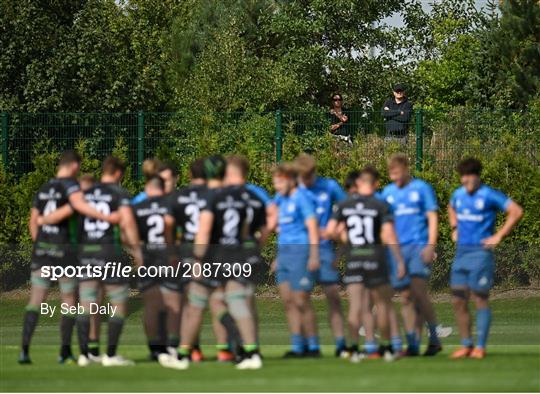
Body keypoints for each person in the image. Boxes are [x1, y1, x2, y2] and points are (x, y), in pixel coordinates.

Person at [18, 151, 119, 365]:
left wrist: (39, 243)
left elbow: (33, 220)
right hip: (63, 252)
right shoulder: (71, 186)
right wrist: (105, 216)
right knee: (69, 302)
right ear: (74, 166)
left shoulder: (45, 188)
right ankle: (65, 352)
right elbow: (78, 205)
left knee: (36, 299)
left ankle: (24, 351)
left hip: (43, 250)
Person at [179, 156, 262, 370]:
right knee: (232, 301)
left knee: (196, 304)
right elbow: (245, 230)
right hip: (236, 256)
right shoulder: (237, 196)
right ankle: (250, 351)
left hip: (213, 259)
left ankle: (183, 354)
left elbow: (204, 231)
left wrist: (197, 260)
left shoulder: (210, 197)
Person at [326, 166, 406, 362]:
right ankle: (387, 348)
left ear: (358, 184)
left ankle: (354, 349)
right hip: (375, 259)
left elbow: (331, 232)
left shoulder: (344, 205)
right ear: (376, 184)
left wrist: (345, 242)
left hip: (355, 261)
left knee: (356, 307)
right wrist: (399, 260)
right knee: (383, 305)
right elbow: (389, 235)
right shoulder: (380, 205)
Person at [448, 158, 523, 359]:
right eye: (462, 177)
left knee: (480, 298)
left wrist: (498, 236)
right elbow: (451, 207)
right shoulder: (459, 194)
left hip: (481, 255)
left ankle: (480, 347)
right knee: (457, 299)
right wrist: (454, 227)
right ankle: (466, 345)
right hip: (461, 254)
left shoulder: (489, 194)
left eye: (468, 177)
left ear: (476, 176)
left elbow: (516, 211)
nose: (464, 181)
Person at [74, 156, 142, 367]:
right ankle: (110, 355)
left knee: (88, 305)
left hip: (86, 254)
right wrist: (137, 251)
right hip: (108, 253)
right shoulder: (118, 193)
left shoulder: (84, 194)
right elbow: (127, 224)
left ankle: (87, 353)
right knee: (119, 302)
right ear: (119, 173)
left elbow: (76, 225)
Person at [381, 153, 442, 356]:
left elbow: (433, 218)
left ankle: (433, 337)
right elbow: (385, 226)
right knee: (406, 297)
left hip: (419, 248)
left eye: (397, 173)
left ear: (406, 170)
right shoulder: (387, 193)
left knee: (418, 292)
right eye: (391, 174)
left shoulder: (422, 189)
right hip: (397, 251)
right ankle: (413, 344)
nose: (394, 178)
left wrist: (431, 245)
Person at [294, 153, 349, 357]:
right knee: (301, 298)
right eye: (301, 177)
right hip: (302, 250)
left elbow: (348, 208)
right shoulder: (295, 190)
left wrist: (337, 227)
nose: (304, 181)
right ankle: (312, 346)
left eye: (307, 177)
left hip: (325, 249)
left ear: (313, 172)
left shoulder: (330, 186)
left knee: (333, 296)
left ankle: (341, 344)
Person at [132, 175, 187, 369]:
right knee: (174, 302)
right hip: (167, 259)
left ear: (147, 189)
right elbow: (175, 228)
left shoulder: (138, 208)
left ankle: (154, 348)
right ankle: (172, 347)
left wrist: (136, 252)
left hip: (148, 260)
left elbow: (127, 232)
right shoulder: (170, 205)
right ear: (163, 189)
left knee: (150, 305)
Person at [270, 162, 321, 358]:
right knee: (288, 301)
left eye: (279, 181)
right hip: (284, 256)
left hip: (301, 255)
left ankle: (314, 346)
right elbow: (274, 222)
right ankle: (297, 347)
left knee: (301, 300)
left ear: (291, 180)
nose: (277, 186)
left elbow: (312, 227)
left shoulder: (302, 198)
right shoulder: (279, 199)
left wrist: (314, 255)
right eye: (274, 182)